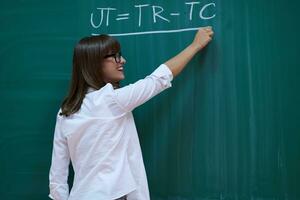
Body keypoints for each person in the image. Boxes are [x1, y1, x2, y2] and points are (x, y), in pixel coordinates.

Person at [48, 26, 214, 200]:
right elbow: (159, 79)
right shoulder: (112, 100)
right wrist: (195, 46)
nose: (123, 60)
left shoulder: (66, 111)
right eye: (115, 56)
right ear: (94, 62)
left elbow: (57, 176)